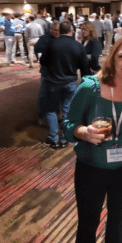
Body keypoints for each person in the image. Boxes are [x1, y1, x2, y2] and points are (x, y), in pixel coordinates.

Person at [61, 35, 122, 243]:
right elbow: (68, 125)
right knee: (88, 224)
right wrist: (84, 132)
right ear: (112, 58)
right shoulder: (91, 88)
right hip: (91, 167)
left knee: (117, 221)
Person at [40, 20, 90, 149]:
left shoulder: (51, 44)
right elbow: (84, 67)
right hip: (70, 83)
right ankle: (65, 138)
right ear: (72, 31)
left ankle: (53, 139)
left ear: (59, 30)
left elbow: (43, 61)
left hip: (53, 83)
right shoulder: (78, 46)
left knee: (51, 110)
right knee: (68, 110)